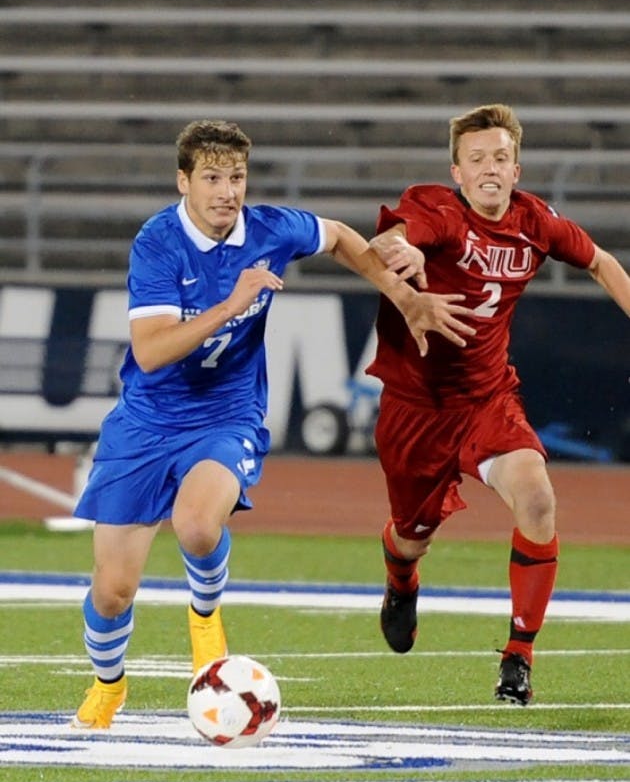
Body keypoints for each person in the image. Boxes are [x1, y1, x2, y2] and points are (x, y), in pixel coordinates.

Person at [70, 119, 476, 729]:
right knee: (112, 592)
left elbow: (338, 236)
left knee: (198, 526)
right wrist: (231, 305)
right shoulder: (157, 243)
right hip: (147, 421)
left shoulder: (268, 228)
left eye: (236, 177)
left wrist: (401, 292)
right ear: (183, 182)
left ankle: (205, 617)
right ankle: (109, 685)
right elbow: (151, 352)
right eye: (211, 178)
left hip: (226, 413)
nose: (226, 191)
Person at [367, 103, 630, 705]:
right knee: (412, 535)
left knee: (537, 496)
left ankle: (519, 655)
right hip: (417, 407)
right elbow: (395, 236)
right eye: (478, 158)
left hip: (488, 398)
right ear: (456, 170)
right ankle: (401, 576)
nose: (490, 168)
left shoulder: (535, 221)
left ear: (517, 168)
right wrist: (400, 251)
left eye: (501, 158)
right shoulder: (434, 208)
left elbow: (600, 261)